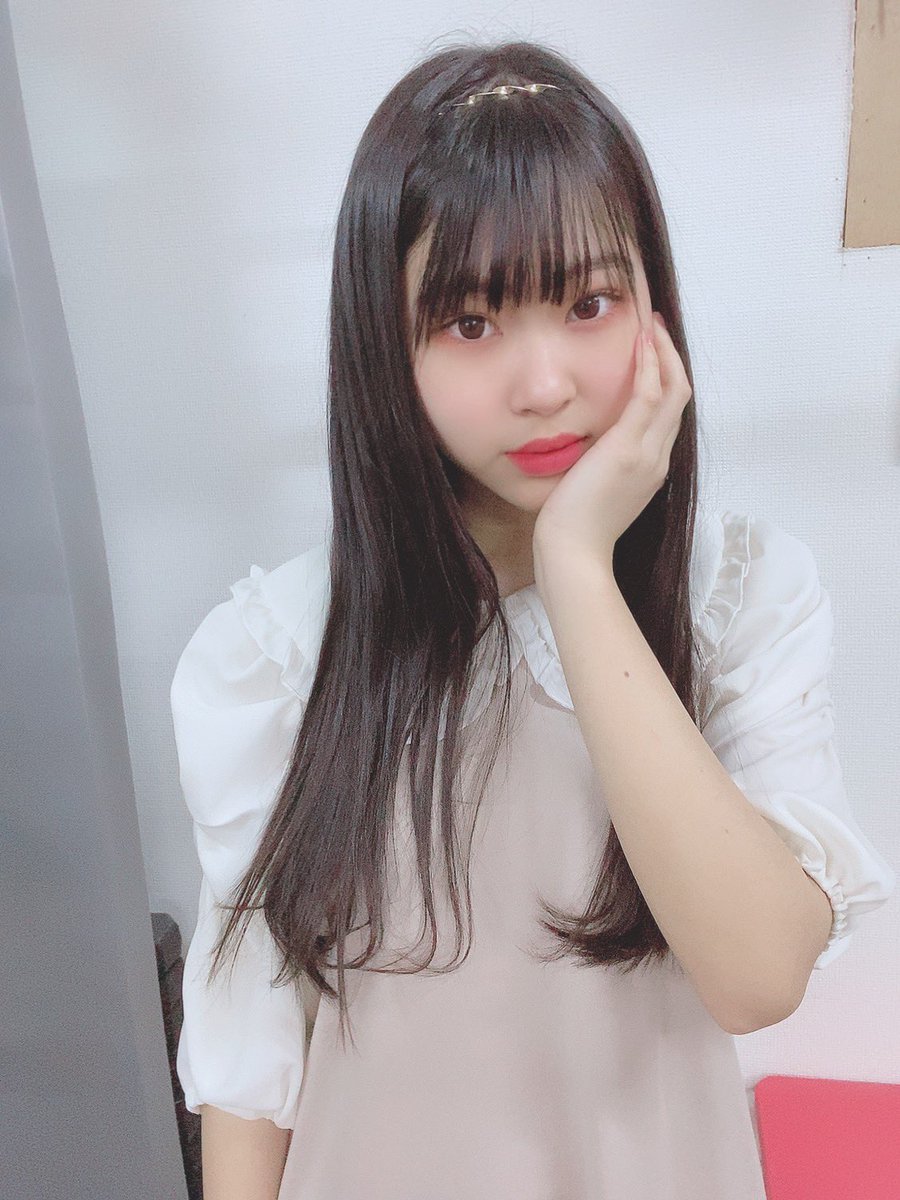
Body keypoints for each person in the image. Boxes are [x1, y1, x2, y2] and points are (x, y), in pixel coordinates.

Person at [169, 39, 896, 1200]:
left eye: (588, 303)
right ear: (384, 346)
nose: (545, 383)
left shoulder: (741, 599)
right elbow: (249, 1060)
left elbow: (759, 976)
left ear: (653, 309)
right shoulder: (276, 652)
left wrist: (577, 569)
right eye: (470, 323)